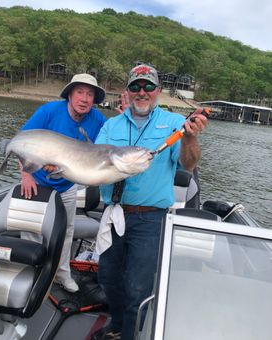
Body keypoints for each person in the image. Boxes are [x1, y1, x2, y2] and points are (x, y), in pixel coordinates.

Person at [92, 64, 208, 339]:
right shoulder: (111, 125)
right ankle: (118, 323)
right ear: (127, 91)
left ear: (158, 91)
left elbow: (189, 163)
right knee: (107, 277)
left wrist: (190, 136)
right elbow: (93, 164)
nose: (141, 92)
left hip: (151, 218)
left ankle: (131, 334)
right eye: (135, 86)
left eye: (147, 86)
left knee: (137, 288)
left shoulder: (174, 123)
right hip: (114, 214)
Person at [20, 73, 107, 293]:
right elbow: (22, 141)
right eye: (80, 92)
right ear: (69, 94)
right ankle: (29, 273)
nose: (85, 99)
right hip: (37, 181)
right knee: (32, 231)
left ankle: (61, 274)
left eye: (90, 94)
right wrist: (26, 175)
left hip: (66, 185)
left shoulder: (98, 120)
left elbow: (112, 145)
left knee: (65, 232)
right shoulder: (49, 111)